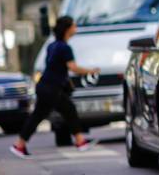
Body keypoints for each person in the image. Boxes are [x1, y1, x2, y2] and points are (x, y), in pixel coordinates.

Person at [10, 16, 100, 158]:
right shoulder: (65, 48)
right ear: (68, 29)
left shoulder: (52, 45)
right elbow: (72, 67)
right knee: (67, 110)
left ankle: (19, 145)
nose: (76, 29)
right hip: (52, 88)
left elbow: (55, 67)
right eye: (74, 26)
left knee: (40, 115)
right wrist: (91, 71)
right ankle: (80, 141)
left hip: (44, 86)